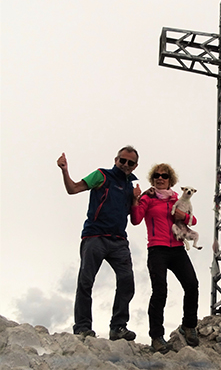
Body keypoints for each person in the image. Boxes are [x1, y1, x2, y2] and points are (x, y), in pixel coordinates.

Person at [57, 146, 141, 341]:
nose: (125, 165)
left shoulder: (130, 187)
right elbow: (73, 189)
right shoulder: (101, 175)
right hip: (95, 236)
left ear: (135, 165)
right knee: (86, 282)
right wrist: (64, 170)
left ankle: (118, 327)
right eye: (122, 160)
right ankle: (83, 327)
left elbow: (135, 218)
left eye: (130, 162)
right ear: (116, 160)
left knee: (127, 282)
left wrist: (136, 198)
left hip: (119, 240)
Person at [131, 163, 199, 354]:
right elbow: (136, 219)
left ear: (171, 180)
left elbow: (193, 220)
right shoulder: (148, 198)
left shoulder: (177, 198)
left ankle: (188, 326)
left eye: (164, 176)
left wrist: (182, 216)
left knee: (192, 284)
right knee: (160, 291)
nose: (160, 178)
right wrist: (136, 199)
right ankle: (156, 337)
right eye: (156, 176)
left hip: (177, 249)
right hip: (157, 249)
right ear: (152, 179)